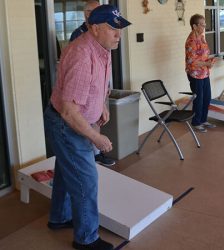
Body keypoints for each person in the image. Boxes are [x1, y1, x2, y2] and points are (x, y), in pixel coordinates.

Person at [44, 5, 131, 250]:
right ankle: (86, 239)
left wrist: (101, 104)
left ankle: (59, 218)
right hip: (66, 125)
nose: (118, 35)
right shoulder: (82, 55)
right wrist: (96, 137)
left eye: (120, 29)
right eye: (113, 29)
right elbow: (70, 112)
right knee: (86, 180)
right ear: (94, 29)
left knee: (65, 170)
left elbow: (100, 84)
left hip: (73, 121)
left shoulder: (102, 49)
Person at [70, 0, 115, 167]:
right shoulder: (79, 35)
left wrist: (105, 87)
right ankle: (89, 157)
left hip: (100, 88)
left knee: (98, 119)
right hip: (85, 92)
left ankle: (96, 155)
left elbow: (103, 62)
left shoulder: (103, 32)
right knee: (85, 122)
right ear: (87, 14)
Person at [185, 14, 217, 133]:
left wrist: (209, 61)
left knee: (207, 97)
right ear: (194, 26)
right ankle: (196, 122)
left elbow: (204, 55)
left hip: (204, 73)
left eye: (204, 24)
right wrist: (207, 64)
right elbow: (192, 62)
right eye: (202, 24)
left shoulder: (201, 38)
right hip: (195, 74)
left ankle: (203, 120)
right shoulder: (191, 41)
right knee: (199, 98)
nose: (204, 26)